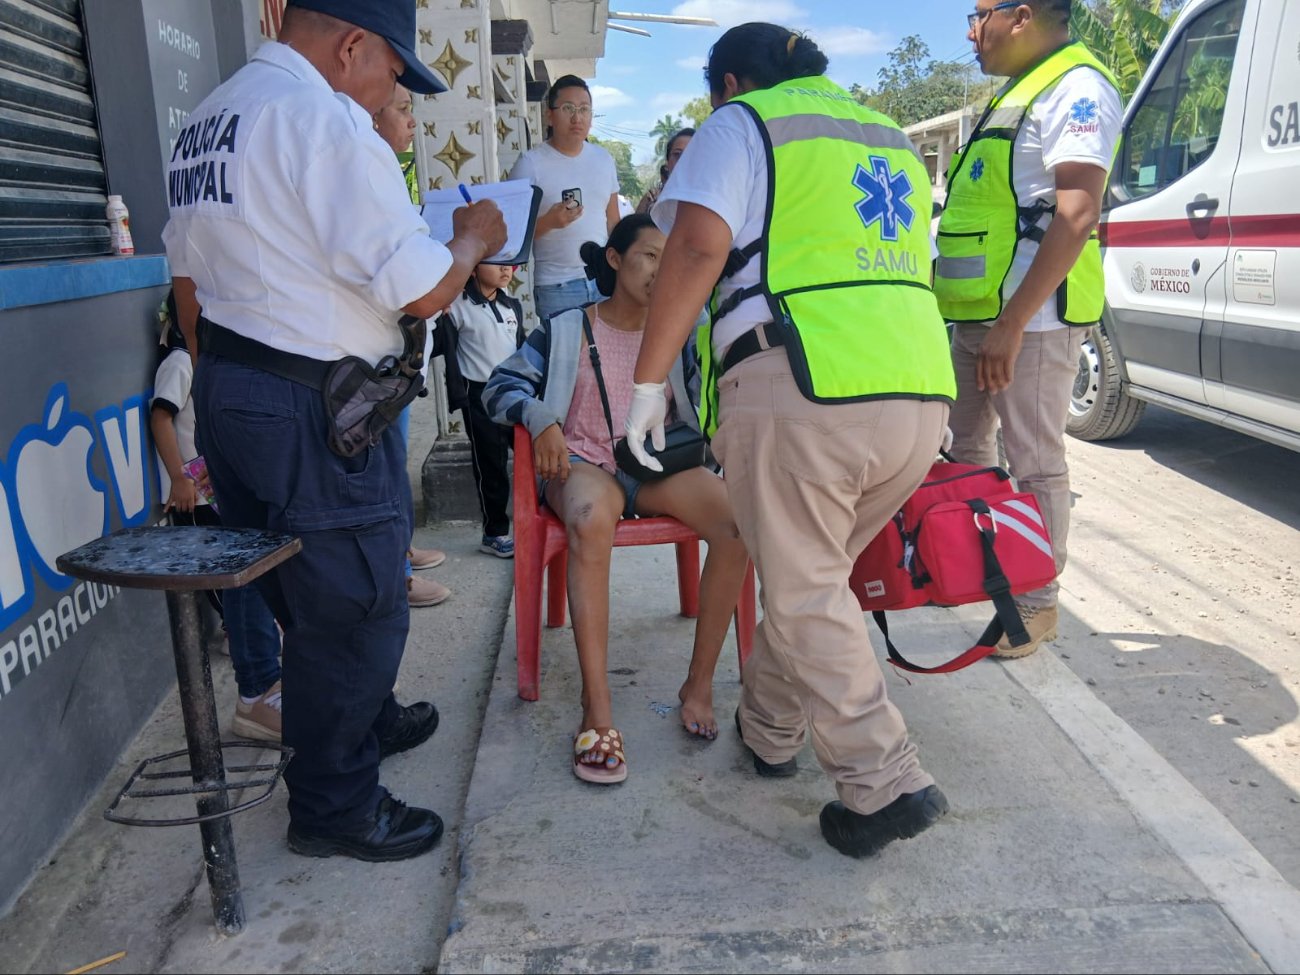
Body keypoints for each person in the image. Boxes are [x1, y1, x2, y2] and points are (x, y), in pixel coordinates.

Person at [164, 0, 506, 862]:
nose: (391, 90)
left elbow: (189, 286)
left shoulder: (209, 118)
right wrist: (469, 243)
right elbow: (422, 289)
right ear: (352, 45)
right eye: (393, 71)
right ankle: (335, 801)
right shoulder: (326, 121)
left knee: (304, 585)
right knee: (355, 601)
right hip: (309, 404)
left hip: (235, 387)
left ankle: (365, 715)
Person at [624, 24, 957, 857]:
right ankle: (770, 730)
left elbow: (698, 245)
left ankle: (884, 782)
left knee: (806, 588)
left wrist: (645, 382)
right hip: (917, 391)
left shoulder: (743, 123)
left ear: (730, 81)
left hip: (802, 384)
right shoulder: (881, 133)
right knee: (812, 571)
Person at [484, 214, 751, 784]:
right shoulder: (562, 328)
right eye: (650, 255)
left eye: (670, 258)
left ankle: (698, 683)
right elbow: (500, 385)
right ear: (614, 258)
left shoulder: (680, 330)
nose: (661, 268)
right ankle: (597, 709)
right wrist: (540, 418)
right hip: (584, 463)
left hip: (657, 465)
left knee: (736, 525)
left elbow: (715, 394)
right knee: (587, 518)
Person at [934, 0, 1122, 658]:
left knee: (1035, 459)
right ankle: (982, 570)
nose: (969, 31)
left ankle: (1035, 603)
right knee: (966, 447)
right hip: (978, 312)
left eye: (976, 14)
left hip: (1029, 319)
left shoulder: (1077, 86)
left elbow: (1075, 212)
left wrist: (1012, 324)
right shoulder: (1019, 90)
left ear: (1019, 15)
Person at [150, 307, 284, 743]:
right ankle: (256, 691)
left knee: (258, 573)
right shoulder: (183, 360)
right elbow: (162, 417)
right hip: (202, 486)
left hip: (231, 480)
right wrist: (179, 478)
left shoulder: (223, 358)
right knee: (241, 578)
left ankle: (265, 681)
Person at [372, 81, 453, 607]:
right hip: (372, 367)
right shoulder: (364, 173)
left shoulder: (388, 176)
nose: (412, 122)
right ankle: (394, 573)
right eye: (403, 109)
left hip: (396, 365)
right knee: (382, 473)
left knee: (392, 466)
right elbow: (412, 290)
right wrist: (466, 246)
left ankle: (399, 553)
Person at [507, 75, 620, 322]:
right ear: (550, 115)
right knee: (561, 360)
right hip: (556, 287)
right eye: (568, 108)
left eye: (584, 109)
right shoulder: (530, 163)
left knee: (604, 359)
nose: (577, 117)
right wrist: (549, 222)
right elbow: (509, 233)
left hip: (602, 284)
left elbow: (613, 222)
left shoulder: (604, 160)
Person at [433, 263, 524, 557]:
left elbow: (520, 348)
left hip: (513, 394)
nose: (507, 270)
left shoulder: (512, 305)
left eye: (511, 264)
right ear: (474, 268)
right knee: (490, 466)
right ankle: (494, 533)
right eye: (498, 263)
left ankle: (530, 524)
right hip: (479, 396)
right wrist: (437, 314)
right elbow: (438, 345)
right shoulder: (457, 307)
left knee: (528, 459)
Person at [636, 128, 694, 215]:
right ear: (667, 162)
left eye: (691, 154)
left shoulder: (712, 200)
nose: (683, 160)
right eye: (677, 154)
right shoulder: (651, 199)